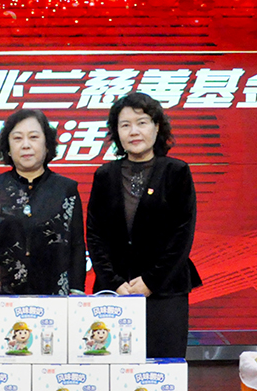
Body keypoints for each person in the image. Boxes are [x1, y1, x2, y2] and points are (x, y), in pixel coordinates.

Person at [0, 108, 86, 357]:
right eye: (17, 138)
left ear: (47, 145)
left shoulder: (66, 189)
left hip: (54, 304)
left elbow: (76, 246)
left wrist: (76, 295)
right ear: (8, 148)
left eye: (34, 137)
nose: (26, 145)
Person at [85, 91, 201, 359]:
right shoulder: (104, 175)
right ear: (117, 132)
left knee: (162, 368)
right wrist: (114, 282)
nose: (134, 131)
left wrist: (150, 282)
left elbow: (182, 235)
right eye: (125, 125)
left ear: (157, 127)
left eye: (142, 123)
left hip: (165, 291)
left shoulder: (176, 172)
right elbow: (95, 234)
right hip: (115, 292)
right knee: (111, 366)